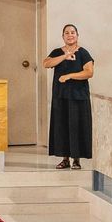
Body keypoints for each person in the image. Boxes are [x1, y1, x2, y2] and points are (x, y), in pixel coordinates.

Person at [44, 24, 94, 170]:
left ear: (77, 35)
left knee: (76, 127)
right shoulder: (57, 52)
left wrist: (69, 76)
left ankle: (76, 159)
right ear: (63, 36)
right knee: (62, 126)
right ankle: (65, 158)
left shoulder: (83, 53)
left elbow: (89, 72)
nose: (70, 35)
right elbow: (46, 63)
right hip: (61, 96)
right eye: (67, 33)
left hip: (78, 97)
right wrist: (64, 56)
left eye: (73, 32)